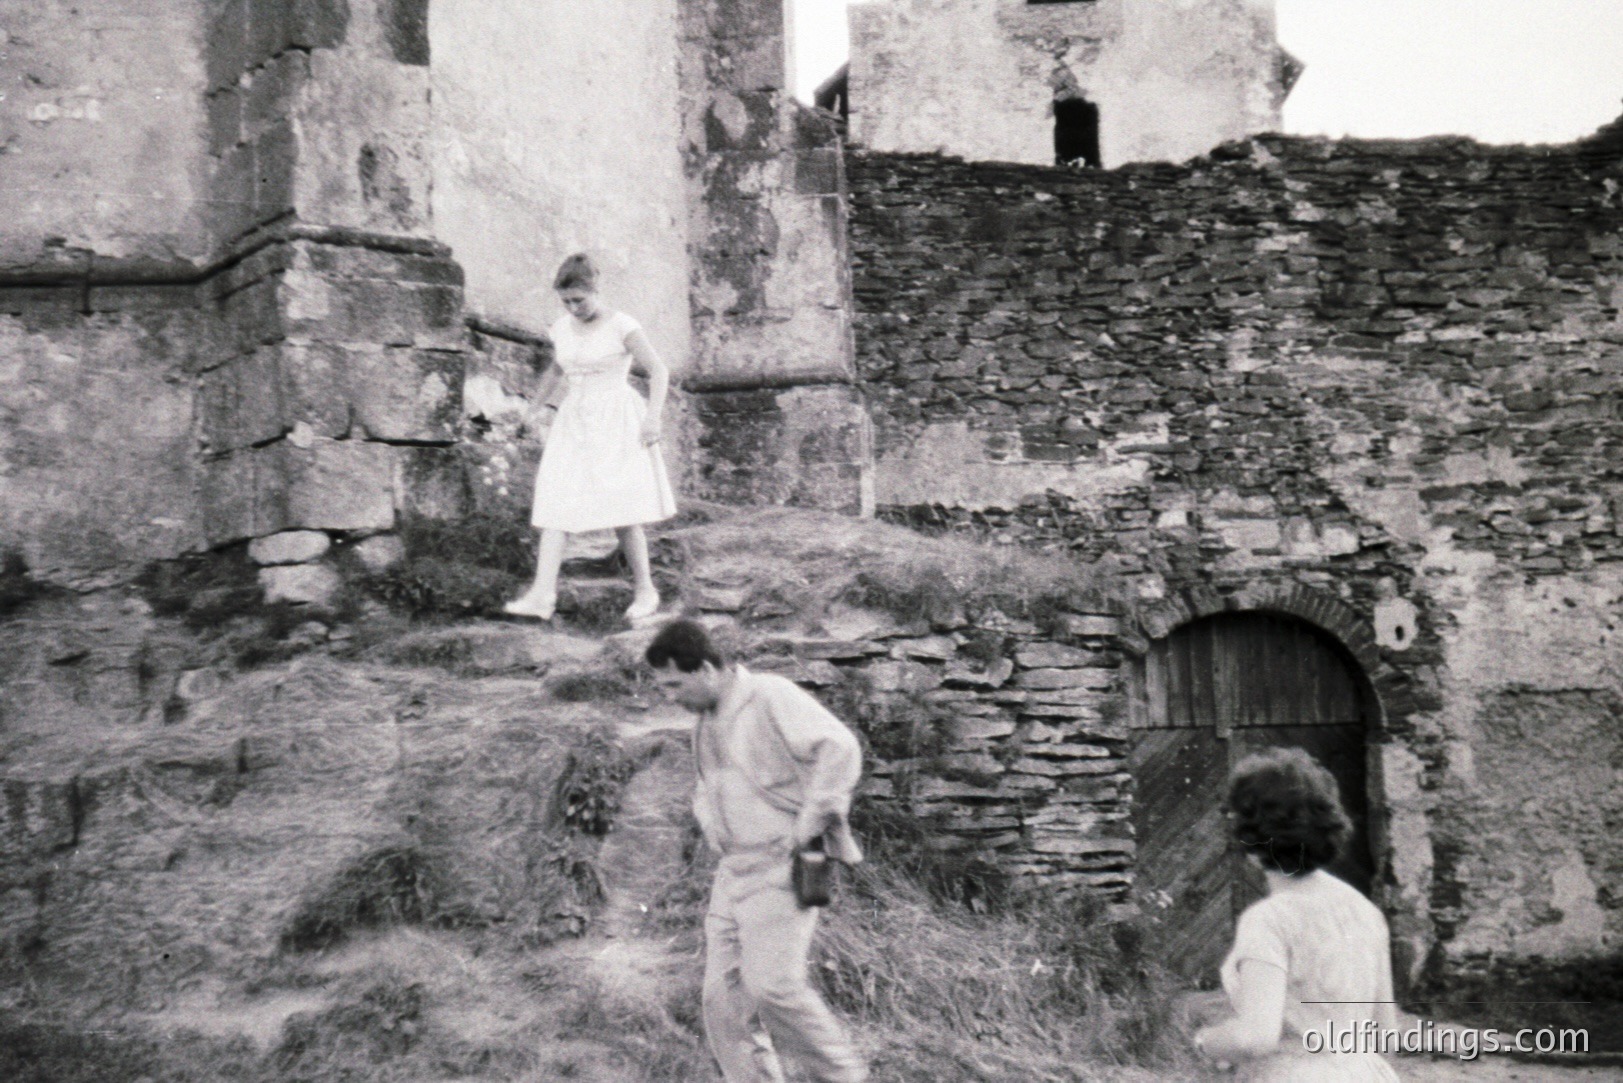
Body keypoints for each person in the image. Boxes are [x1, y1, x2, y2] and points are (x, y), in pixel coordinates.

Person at [645, 619, 870, 1083]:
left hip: (780, 866)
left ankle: (845, 1076)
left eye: (673, 684)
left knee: (774, 987)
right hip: (733, 873)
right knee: (722, 1002)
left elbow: (840, 747)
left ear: (706, 668)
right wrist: (711, 822)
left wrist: (814, 816)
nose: (669, 697)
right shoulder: (705, 720)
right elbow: (707, 786)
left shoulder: (768, 694)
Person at [1194, 747, 1401, 1081]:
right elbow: (1385, 1034)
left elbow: (1255, 1038)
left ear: (1249, 837)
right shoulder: (1364, 911)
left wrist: (1207, 1042)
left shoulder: (1270, 919)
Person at [505, 253, 676, 623]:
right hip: (574, 421)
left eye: (579, 299)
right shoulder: (561, 328)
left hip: (616, 418)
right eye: (566, 301)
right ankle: (541, 594)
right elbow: (554, 371)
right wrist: (532, 411)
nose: (572, 307)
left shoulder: (622, 326)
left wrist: (653, 419)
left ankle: (645, 590)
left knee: (624, 510)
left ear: (596, 290)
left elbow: (659, 371)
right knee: (555, 502)